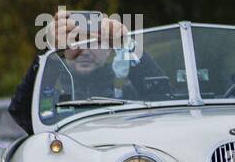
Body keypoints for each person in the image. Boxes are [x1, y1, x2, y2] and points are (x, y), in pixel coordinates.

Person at [9, 9, 165, 133]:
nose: (85, 51)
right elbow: (21, 113)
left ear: (109, 50)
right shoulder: (51, 99)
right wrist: (51, 52)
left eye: (95, 42)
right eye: (75, 40)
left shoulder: (129, 95)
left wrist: (128, 44)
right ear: (64, 50)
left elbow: (162, 101)